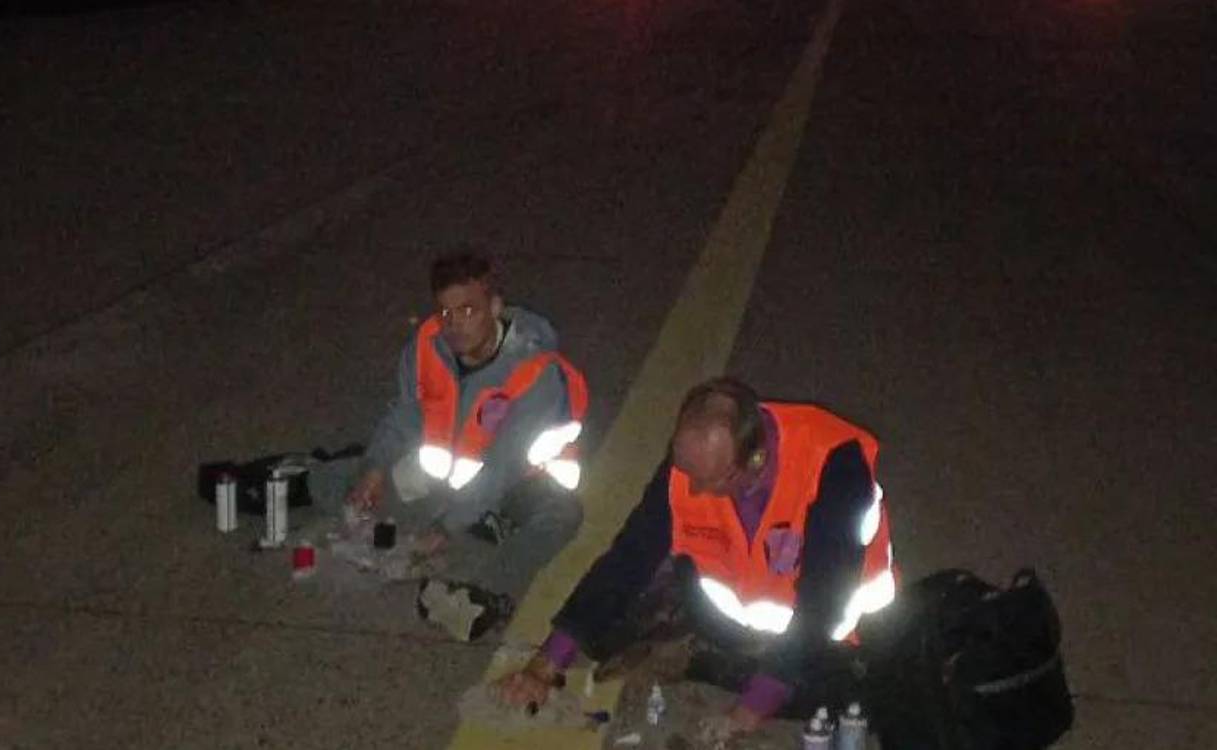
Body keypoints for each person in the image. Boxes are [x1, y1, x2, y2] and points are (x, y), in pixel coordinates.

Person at [494, 377, 898, 740]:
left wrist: (751, 708)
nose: (696, 491)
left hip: (825, 637)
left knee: (852, 695)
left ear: (755, 459)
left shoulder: (836, 467)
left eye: (712, 481)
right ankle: (708, 653)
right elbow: (630, 555)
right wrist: (546, 663)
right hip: (733, 621)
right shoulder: (691, 465)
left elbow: (822, 604)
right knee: (604, 627)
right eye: (688, 474)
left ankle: (725, 665)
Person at [342, 252, 589, 642]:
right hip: (453, 476)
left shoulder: (534, 371)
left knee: (561, 514)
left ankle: (485, 591)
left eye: (468, 310)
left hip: (517, 487)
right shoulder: (427, 346)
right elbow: (405, 415)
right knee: (354, 476)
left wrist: (444, 528)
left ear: (495, 307)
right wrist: (373, 469)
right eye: (446, 313)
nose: (454, 325)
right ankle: (295, 481)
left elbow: (502, 469)